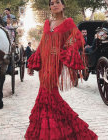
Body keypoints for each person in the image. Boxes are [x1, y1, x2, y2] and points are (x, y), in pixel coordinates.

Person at [25, 0, 98, 139]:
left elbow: (77, 38)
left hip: (55, 62)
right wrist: (33, 63)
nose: (54, 5)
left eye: (58, 2)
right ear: (50, 7)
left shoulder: (68, 22)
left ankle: (72, 129)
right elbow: (42, 43)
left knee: (49, 93)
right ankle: (48, 130)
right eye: (52, 3)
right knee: (44, 94)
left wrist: (62, 49)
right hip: (45, 61)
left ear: (63, 5)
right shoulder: (47, 23)